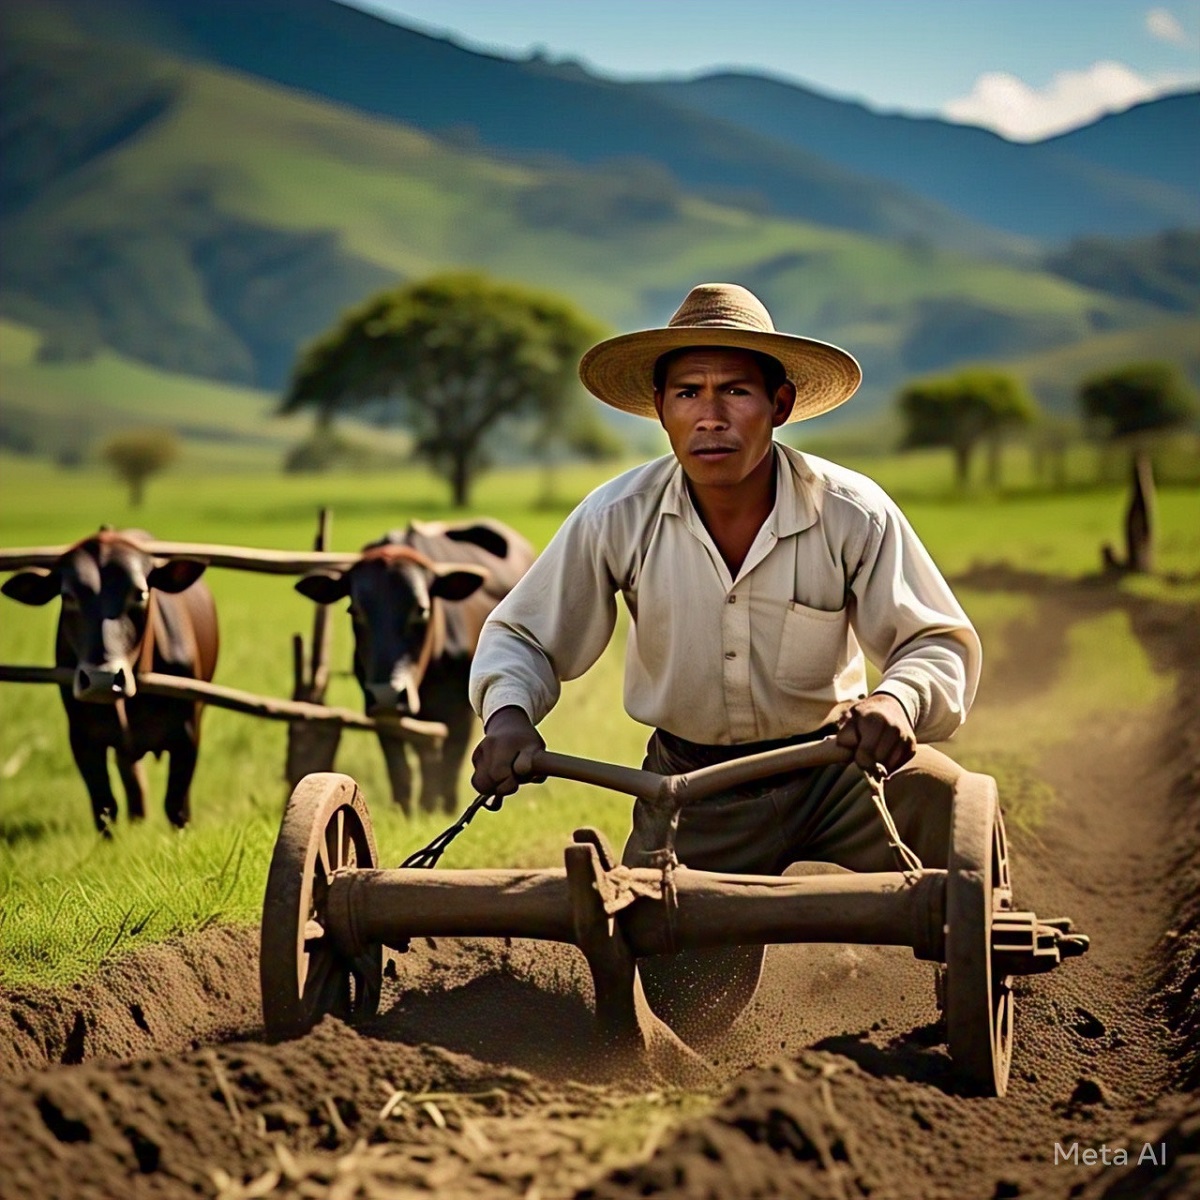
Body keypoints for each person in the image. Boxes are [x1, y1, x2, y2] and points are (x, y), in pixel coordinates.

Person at [468, 283, 981, 1042]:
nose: (711, 416)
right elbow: (524, 636)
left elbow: (934, 641)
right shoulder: (617, 517)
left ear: (778, 404)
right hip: (693, 793)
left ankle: (970, 994)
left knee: (950, 803)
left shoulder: (852, 510)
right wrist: (508, 718)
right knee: (685, 1021)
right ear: (661, 406)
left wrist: (898, 703)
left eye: (735, 391)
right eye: (689, 392)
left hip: (838, 769)